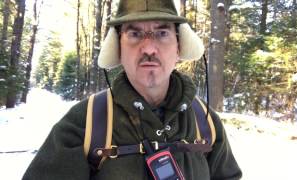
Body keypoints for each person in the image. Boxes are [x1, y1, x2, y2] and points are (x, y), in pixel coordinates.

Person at [23, 0, 242, 179]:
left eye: (162, 33)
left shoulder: (205, 122)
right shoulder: (85, 122)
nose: (148, 48)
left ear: (179, 46)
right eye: (134, 34)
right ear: (119, 48)